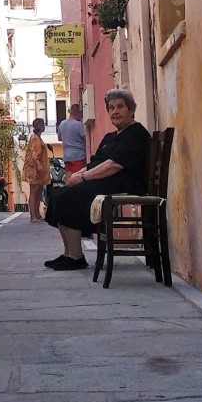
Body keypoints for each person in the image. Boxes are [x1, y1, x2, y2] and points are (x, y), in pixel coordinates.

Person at [44, 89, 151, 271]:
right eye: (111, 108)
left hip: (121, 184)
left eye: (120, 107)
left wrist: (83, 177)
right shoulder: (111, 137)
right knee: (58, 193)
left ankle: (76, 257)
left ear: (131, 110)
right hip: (105, 182)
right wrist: (76, 175)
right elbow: (95, 163)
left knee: (70, 197)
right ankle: (68, 253)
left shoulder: (136, 133)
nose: (115, 111)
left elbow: (114, 165)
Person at [21, 117, 51, 222]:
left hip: (38, 170)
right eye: (43, 124)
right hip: (34, 170)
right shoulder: (35, 138)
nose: (44, 126)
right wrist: (39, 165)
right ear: (40, 126)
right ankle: (33, 215)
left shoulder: (37, 138)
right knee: (34, 191)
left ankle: (37, 214)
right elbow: (35, 154)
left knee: (38, 191)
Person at [56, 103, 88, 175]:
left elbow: (60, 138)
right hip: (78, 155)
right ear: (77, 112)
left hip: (67, 156)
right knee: (78, 177)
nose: (81, 116)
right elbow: (85, 138)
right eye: (81, 113)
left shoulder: (62, 124)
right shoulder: (78, 124)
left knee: (69, 177)